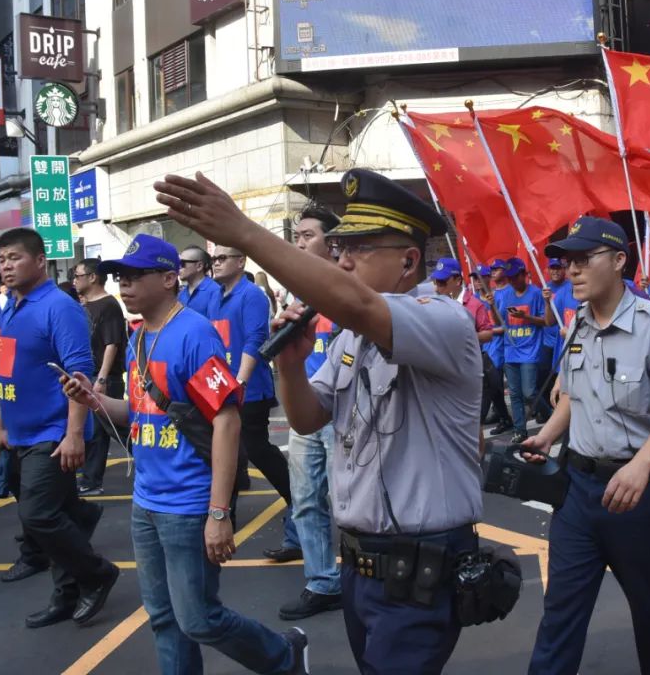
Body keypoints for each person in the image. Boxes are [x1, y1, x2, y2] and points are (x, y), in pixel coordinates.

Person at [155, 168, 483, 674]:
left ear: (409, 260)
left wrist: (243, 231)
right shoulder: (353, 338)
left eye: (360, 249)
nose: (343, 261)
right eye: (340, 249)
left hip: (420, 564)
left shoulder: (443, 318)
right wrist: (289, 362)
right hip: (361, 563)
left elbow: (355, 302)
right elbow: (308, 417)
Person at [62, 234, 309, 675]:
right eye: (121, 276)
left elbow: (226, 420)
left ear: (170, 278)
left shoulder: (193, 334)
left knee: (198, 618)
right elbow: (136, 412)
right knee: (164, 620)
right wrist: (93, 398)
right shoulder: (140, 338)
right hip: (147, 501)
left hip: (189, 505)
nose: (125, 284)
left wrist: (218, 512)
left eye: (136, 275)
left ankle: (282, 655)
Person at [520, 217, 650, 675]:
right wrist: (546, 434)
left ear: (620, 260)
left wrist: (642, 466)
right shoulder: (577, 324)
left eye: (585, 260)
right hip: (577, 493)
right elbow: (572, 395)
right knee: (561, 612)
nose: (573, 271)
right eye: (568, 262)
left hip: (636, 494)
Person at [0, 228, 119, 628]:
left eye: (14, 257)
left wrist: (74, 434)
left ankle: (98, 573)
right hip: (18, 432)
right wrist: (0, 425)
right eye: (1, 260)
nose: (7, 266)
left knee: (38, 516)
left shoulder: (58, 307)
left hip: (51, 433)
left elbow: (77, 375)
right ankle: (65, 594)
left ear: (40, 260)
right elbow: (4, 372)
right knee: (55, 513)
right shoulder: (11, 308)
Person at [210, 245, 298, 558]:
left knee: (257, 449)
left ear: (240, 261)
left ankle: (299, 504)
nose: (216, 263)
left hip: (250, 389)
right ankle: (225, 516)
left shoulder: (252, 296)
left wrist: (241, 382)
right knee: (226, 452)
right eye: (214, 259)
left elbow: (255, 339)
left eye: (222, 258)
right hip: (221, 388)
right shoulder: (216, 296)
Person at [279, 202, 344, 622]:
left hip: (344, 412)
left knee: (350, 501)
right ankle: (322, 581)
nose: (299, 242)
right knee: (305, 500)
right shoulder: (294, 290)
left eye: (308, 236)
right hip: (305, 410)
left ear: (332, 242)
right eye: (296, 236)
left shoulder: (349, 286)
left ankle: (362, 577)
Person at [73, 258, 129, 496]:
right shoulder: (85, 305)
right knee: (101, 429)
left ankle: (91, 480)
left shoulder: (108, 306)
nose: (75, 280)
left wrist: (103, 378)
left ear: (92, 277)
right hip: (93, 375)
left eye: (78, 275)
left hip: (105, 377)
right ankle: (90, 479)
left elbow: (112, 343)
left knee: (110, 429)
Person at [499, 257, 548, 444]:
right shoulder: (505, 295)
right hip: (510, 349)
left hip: (529, 350)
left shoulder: (536, 294)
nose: (511, 281)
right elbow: (500, 322)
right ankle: (520, 430)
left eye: (514, 277)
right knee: (515, 394)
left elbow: (545, 321)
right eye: (509, 278)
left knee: (529, 392)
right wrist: (494, 307)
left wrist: (525, 316)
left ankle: (551, 415)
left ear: (524, 275)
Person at [475, 265, 513, 434]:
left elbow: (503, 326)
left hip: (497, 347)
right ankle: (503, 416)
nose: (476, 282)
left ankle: (501, 417)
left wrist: (485, 333)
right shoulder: (473, 300)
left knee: (493, 386)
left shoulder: (498, 297)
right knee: (494, 387)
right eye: (474, 278)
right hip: (481, 349)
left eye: (479, 277)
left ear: (487, 279)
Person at [536, 257, 568, 423]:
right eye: (552, 268)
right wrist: (547, 302)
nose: (555, 271)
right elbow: (549, 321)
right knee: (548, 381)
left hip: (576, 350)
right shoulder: (554, 291)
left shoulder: (578, 290)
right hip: (556, 346)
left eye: (559, 267)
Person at [178, 246, 220, 319]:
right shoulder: (181, 294)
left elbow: (217, 326)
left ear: (199, 266)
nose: (178, 267)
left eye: (182, 263)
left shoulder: (216, 292)